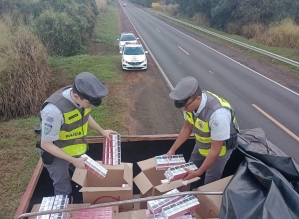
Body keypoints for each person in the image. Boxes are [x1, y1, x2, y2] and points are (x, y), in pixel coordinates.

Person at [37, 72, 117, 196]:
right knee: (63, 185)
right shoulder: (53, 112)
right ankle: (64, 208)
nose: (90, 106)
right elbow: (46, 144)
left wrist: (102, 130)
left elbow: (85, 115)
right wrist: (72, 160)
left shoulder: (82, 96)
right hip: (55, 153)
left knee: (77, 176)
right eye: (89, 104)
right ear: (75, 96)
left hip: (74, 150)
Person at [167, 76, 239, 185]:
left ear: (198, 99)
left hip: (220, 147)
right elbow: (187, 127)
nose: (183, 109)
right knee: (191, 165)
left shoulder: (218, 115)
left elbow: (215, 150)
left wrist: (199, 172)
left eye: (185, 106)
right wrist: (172, 150)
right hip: (203, 141)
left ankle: (206, 198)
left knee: (211, 175)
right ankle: (188, 192)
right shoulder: (189, 104)